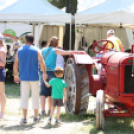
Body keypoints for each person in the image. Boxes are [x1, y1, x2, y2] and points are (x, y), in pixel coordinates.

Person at [13, 33, 47, 124]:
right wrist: (44, 73)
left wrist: (15, 76)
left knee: (24, 97)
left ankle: (24, 118)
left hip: (23, 77)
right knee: (35, 97)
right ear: (33, 41)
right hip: (34, 77)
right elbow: (42, 63)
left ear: (25, 40)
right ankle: (36, 117)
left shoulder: (19, 50)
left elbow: (15, 64)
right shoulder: (37, 50)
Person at [39, 36, 78, 116]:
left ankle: (42, 111)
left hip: (43, 72)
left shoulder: (43, 50)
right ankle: (50, 111)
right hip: (52, 72)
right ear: (56, 44)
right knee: (50, 93)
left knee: (43, 93)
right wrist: (78, 52)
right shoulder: (55, 50)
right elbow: (66, 52)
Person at [0, 33, 7, 118]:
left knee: (1, 93)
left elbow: (3, 63)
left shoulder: (2, 50)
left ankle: (2, 113)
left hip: (0, 71)